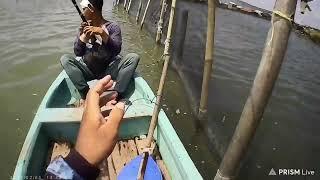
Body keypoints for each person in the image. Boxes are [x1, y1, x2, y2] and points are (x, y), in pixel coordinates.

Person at [45, 75, 125, 179]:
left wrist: (79, 162)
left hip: (108, 72)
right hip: (90, 69)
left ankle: (118, 93)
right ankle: (87, 92)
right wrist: (79, 163)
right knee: (66, 59)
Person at [60, 0, 139, 100]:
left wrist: (102, 33)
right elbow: (78, 52)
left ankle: (117, 94)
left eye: (84, 9)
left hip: (109, 69)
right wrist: (83, 37)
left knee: (133, 57)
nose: (82, 13)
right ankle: (86, 94)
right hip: (88, 70)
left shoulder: (113, 27)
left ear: (91, 9)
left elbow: (116, 50)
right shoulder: (83, 28)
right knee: (65, 59)